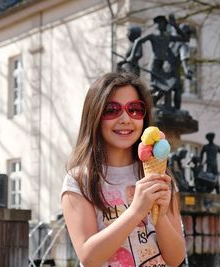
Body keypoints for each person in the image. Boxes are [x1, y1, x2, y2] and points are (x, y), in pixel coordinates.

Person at [61, 72, 185, 267]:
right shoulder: (79, 180)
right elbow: (88, 257)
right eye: (112, 110)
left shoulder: (160, 176)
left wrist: (160, 217)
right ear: (95, 116)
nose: (126, 119)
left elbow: (176, 258)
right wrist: (136, 211)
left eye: (135, 109)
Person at [127, 15, 189, 110]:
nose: (162, 25)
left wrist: (175, 25)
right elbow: (138, 41)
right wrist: (132, 56)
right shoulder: (153, 35)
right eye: (159, 23)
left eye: (163, 23)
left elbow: (185, 39)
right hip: (154, 65)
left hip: (162, 66)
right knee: (157, 87)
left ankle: (157, 105)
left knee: (167, 87)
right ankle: (145, 104)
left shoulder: (167, 36)